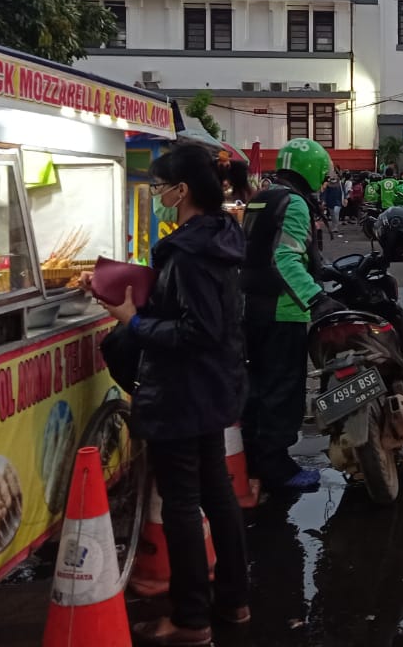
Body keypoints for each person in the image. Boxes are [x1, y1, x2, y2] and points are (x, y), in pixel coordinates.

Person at [90, 143, 249, 644]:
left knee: (183, 502)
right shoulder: (220, 238)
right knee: (216, 491)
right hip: (212, 386)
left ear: (182, 191)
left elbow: (193, 330)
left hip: (183, 389)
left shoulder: (189, 251)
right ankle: (234, 600)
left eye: (160, 187)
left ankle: (191, 619)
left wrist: (133, 321)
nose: (157, 194)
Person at [240, 138, 338, 496]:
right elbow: (283, 260)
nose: (324, 181)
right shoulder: (294, 203)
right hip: (282, 310)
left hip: (252, 306)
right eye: (322, 175)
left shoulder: (265, 196)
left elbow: (271, 249)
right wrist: (316, 300)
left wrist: (323, 271)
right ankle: (277, 467)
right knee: (282, 392)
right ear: (310, 170)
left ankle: (255, 460)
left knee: (258, 390)